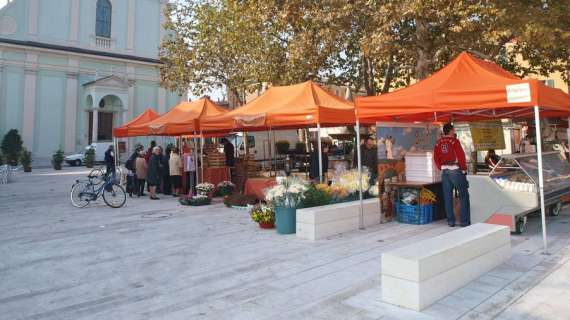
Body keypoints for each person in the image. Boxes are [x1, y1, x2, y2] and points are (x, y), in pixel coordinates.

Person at [434, 123, 470, 227]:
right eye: (453, 130)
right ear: (450, 130)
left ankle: (450, 221)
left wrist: (440, 167)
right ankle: (464, 221)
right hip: (455, 170)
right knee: (463, 195)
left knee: (447, 196)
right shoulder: (454, 141)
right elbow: (461, 155)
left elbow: (435, 157)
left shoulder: (438, 143)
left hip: (444, 171)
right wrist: (463, 169)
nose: (454, 132)